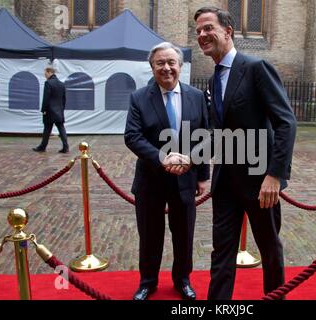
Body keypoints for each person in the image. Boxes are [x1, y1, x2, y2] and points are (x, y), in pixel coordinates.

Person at [194, 7, 297, 300]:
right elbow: (219, 132)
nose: (202, 35)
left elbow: (286, 122)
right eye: (199, 31)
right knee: (221, 252)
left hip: (260, 183)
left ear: (228, 31)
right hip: (225, 182)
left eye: (208, 28)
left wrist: (275, 175)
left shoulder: (255, 68)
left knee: (269, 249)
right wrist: (191, 158)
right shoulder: (214, 79)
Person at [124, 42, 209, 300]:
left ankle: (182, 280)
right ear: (152, 67)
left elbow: (206, 136)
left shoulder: (196, 96)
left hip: (186, 178)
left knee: (184, 234)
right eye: (160, 63)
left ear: (181, 66)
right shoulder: (139, 97)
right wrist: (162, 158)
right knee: (150, 235)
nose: (166, 68)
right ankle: (147, 282)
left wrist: (203, 173)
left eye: (172, 62)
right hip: (150, 180)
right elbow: (132, 136)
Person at [33, 67, 69, 153]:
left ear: (49, 72)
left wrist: (43, 109)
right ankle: (65, 146)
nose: (45, 75)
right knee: (61, 128)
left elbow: (46, 98)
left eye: (45, 73)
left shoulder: (48, 83)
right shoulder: (62, 84)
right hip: (59, 110)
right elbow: (64, 99)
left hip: (49, 110)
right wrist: (62, 109)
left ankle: (42, 147)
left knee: (47, 129)